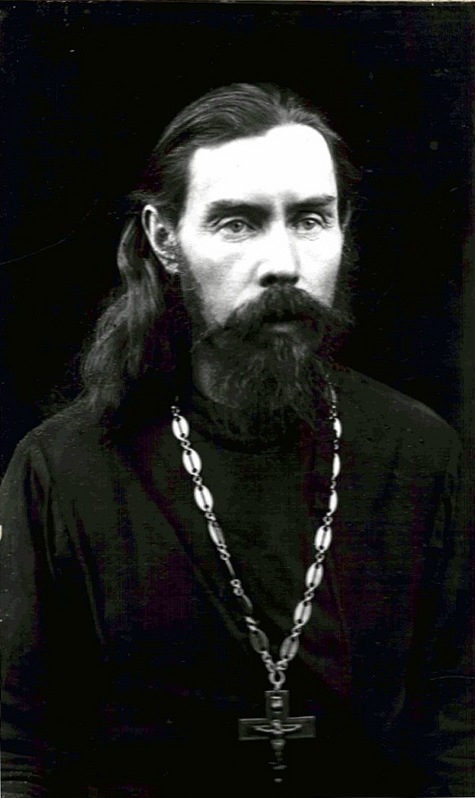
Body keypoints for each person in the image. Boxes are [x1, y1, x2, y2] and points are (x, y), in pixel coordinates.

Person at [0, 83, 473, 798]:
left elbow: (459, 734)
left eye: (310, 219)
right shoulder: (61, 470)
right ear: (165, 239)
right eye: (237, 223)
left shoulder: (420, 453)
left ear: (343, 228)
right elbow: (16, 749)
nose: (283, 262)